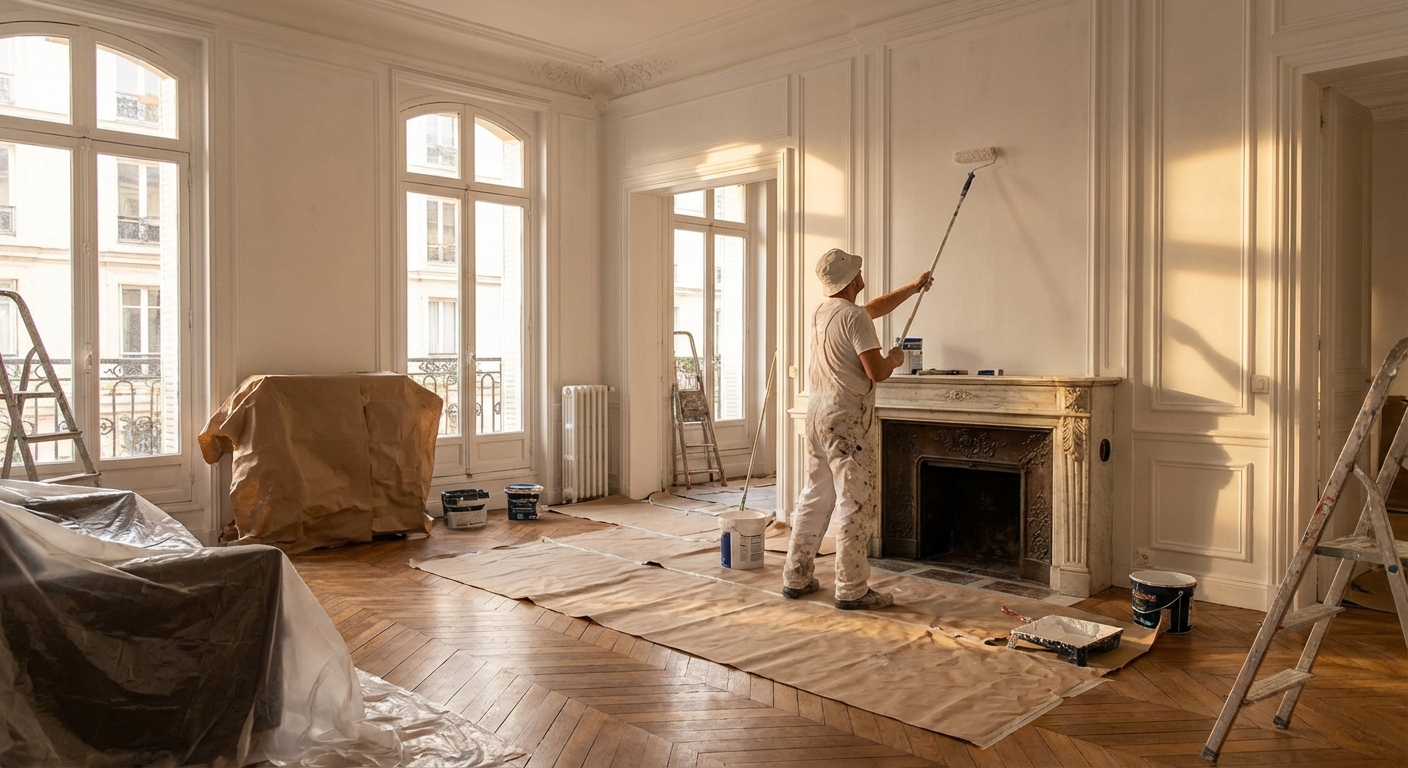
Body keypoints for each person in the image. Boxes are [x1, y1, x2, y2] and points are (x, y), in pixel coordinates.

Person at [782, 248, 932, 610]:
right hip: (845, 420)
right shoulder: (854, 317)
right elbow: (877, 371)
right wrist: (894, 358)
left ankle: (796, 576)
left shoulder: (824, 312)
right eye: (858, 271)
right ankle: (851, 589)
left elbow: (873, 309)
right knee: (855, 501)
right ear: (852, 280)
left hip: (817, 415)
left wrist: (913, 287)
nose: (862, 274)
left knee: (815, 496)